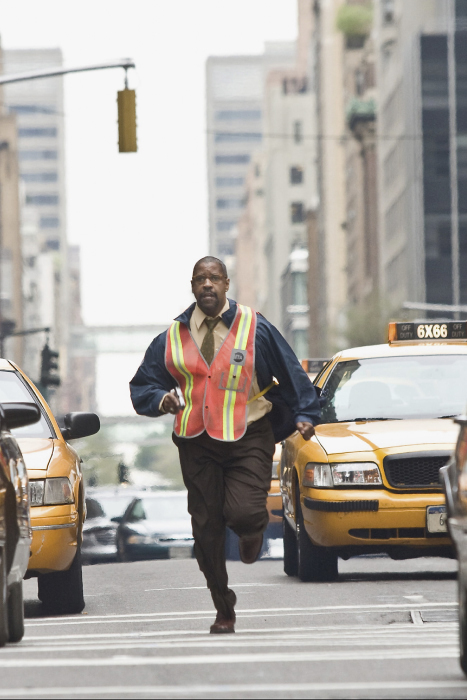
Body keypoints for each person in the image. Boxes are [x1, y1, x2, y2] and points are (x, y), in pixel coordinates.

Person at [130, 256, 320, 634]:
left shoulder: (254, 326)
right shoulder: (171, 337)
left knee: (245, 512)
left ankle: (252, 532)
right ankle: (223, 607)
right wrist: (160, 400)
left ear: (227, 284)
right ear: (192, 286)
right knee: (206, 530)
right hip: (195, 441)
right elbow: (142, 385)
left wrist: (306, 413)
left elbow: (291, 370)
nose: (207, 285)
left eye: (214, 278)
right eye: (200, 279)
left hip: (250, 433)